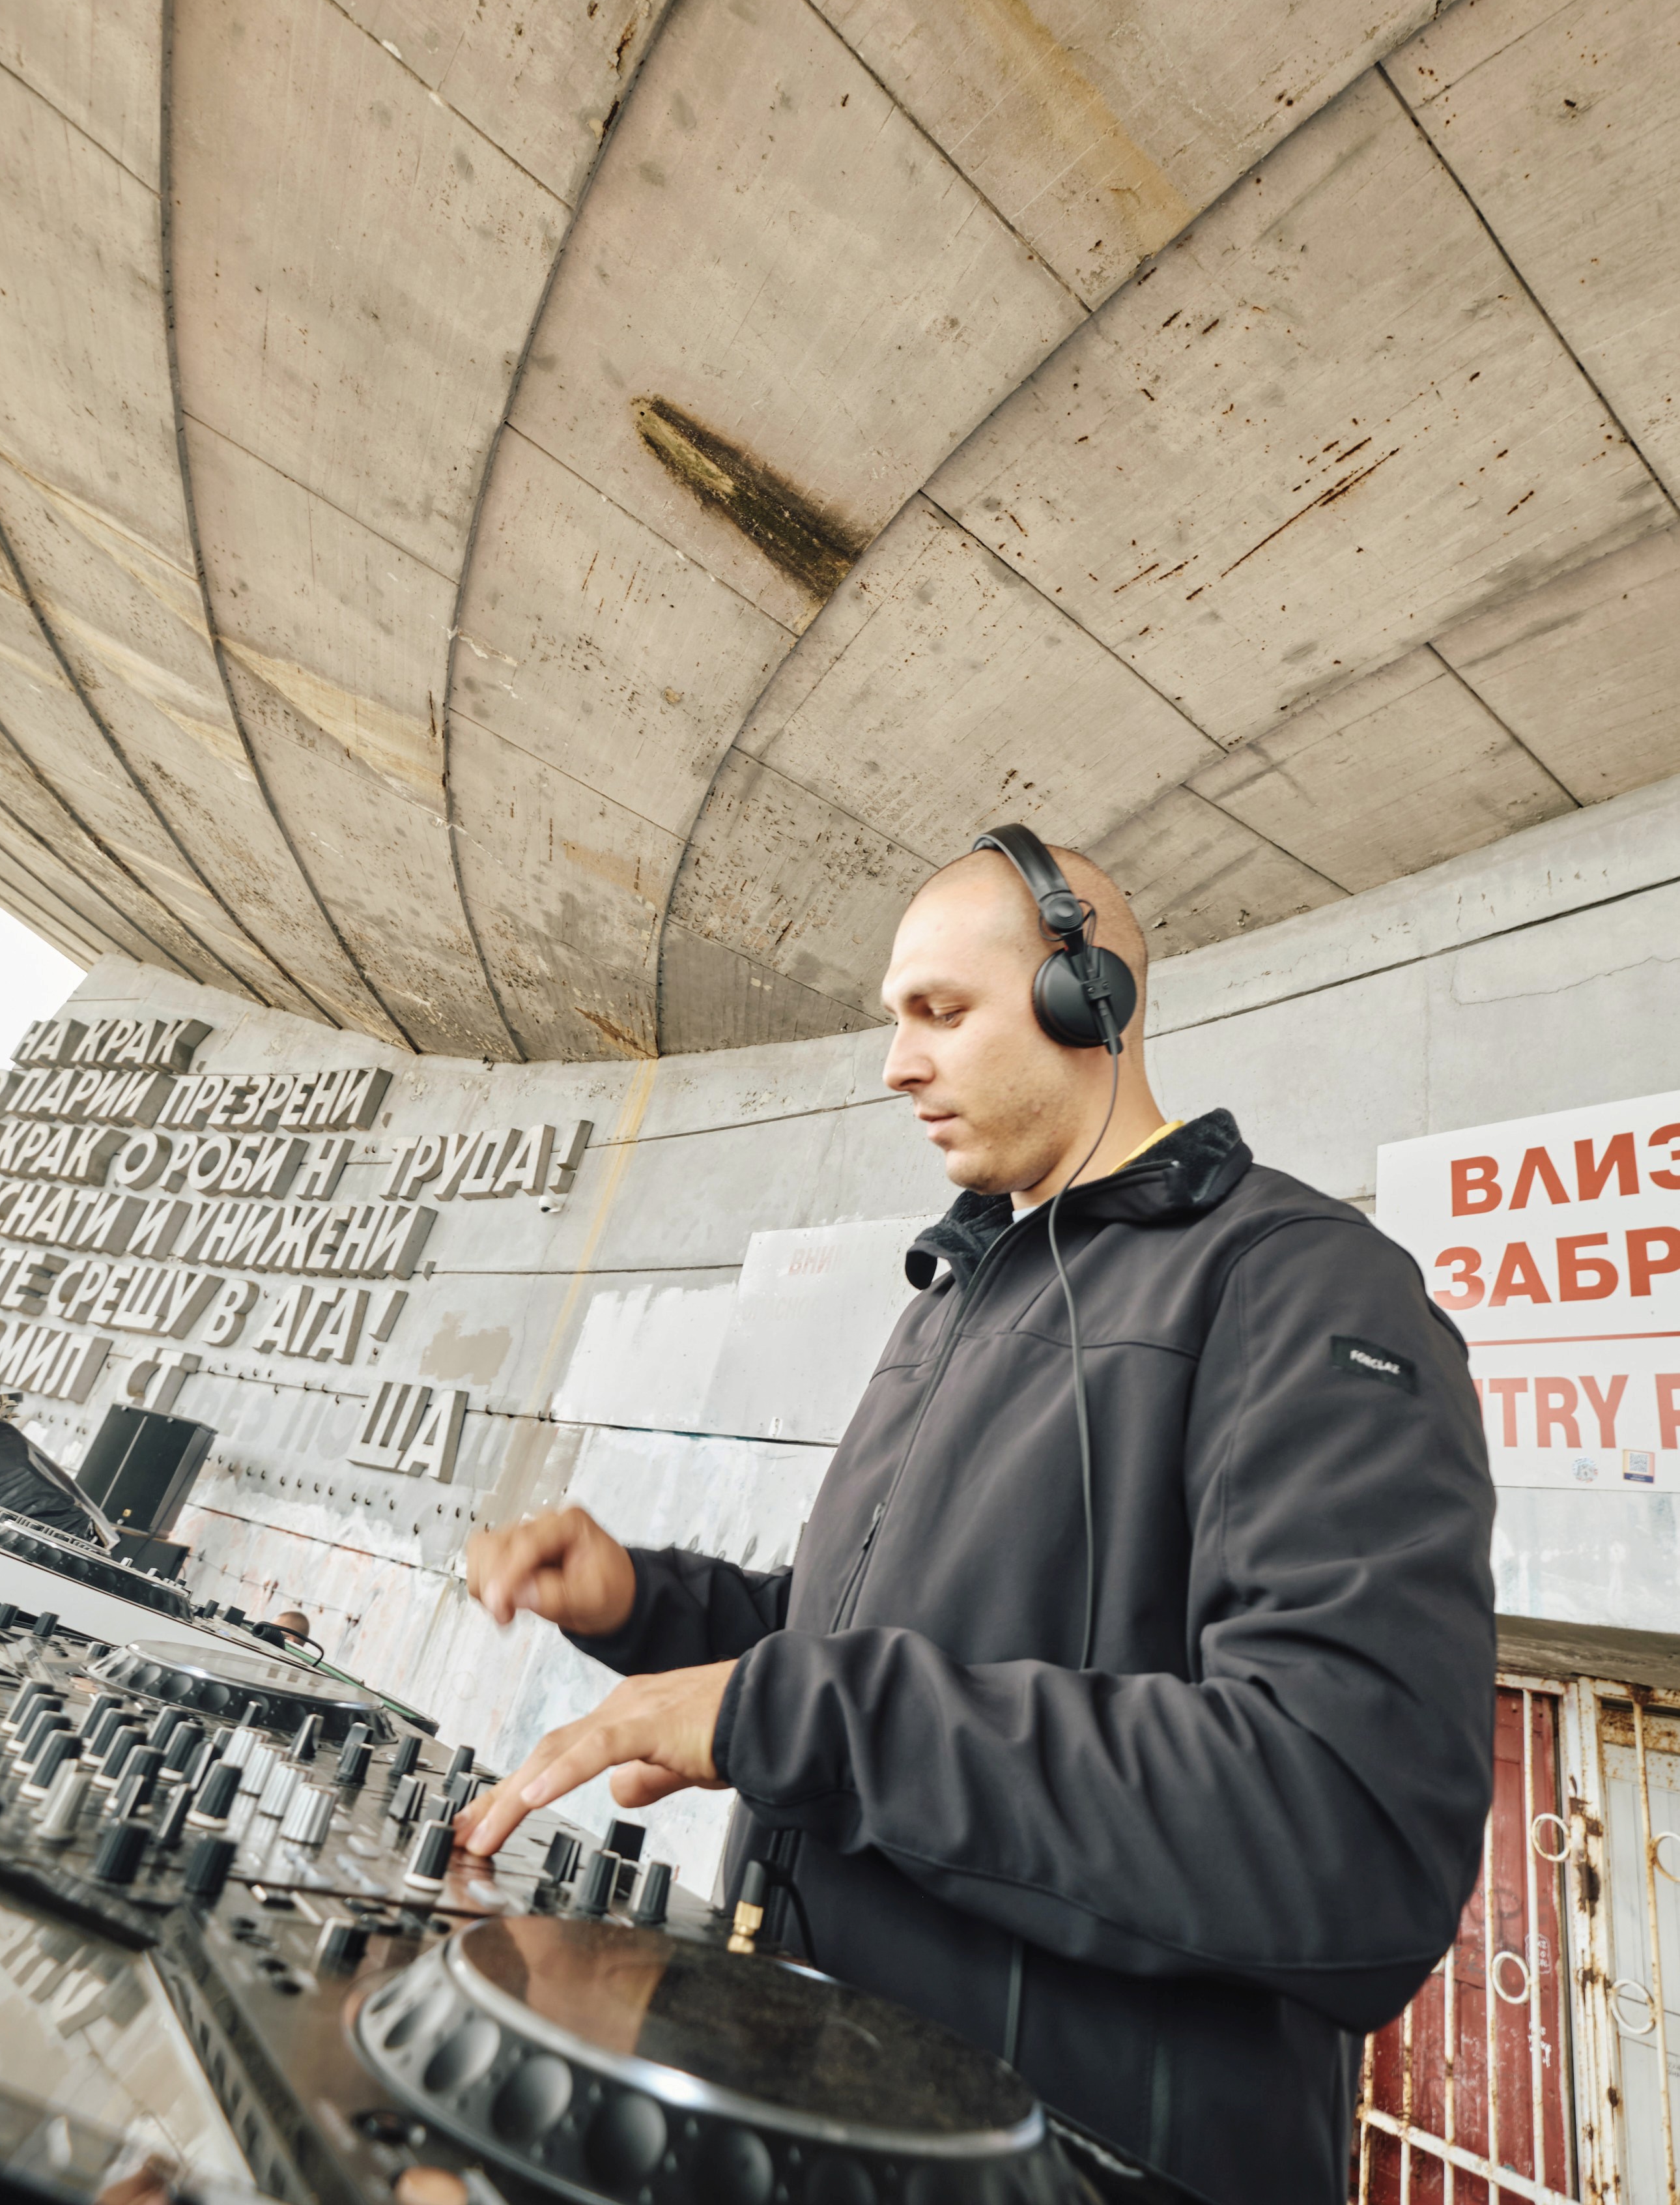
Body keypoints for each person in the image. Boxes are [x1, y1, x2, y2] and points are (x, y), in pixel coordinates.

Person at [457, 837, 1496, 2205]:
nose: (896, 1063)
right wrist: (645, 1605)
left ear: (1088, 997)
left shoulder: (1307, 1286)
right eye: (896, 1019)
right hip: (827, 2119)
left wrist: (798, 1713)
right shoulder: (949, 1301)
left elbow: (1342, 1828)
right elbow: (851, 1646)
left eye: (940, 1011)